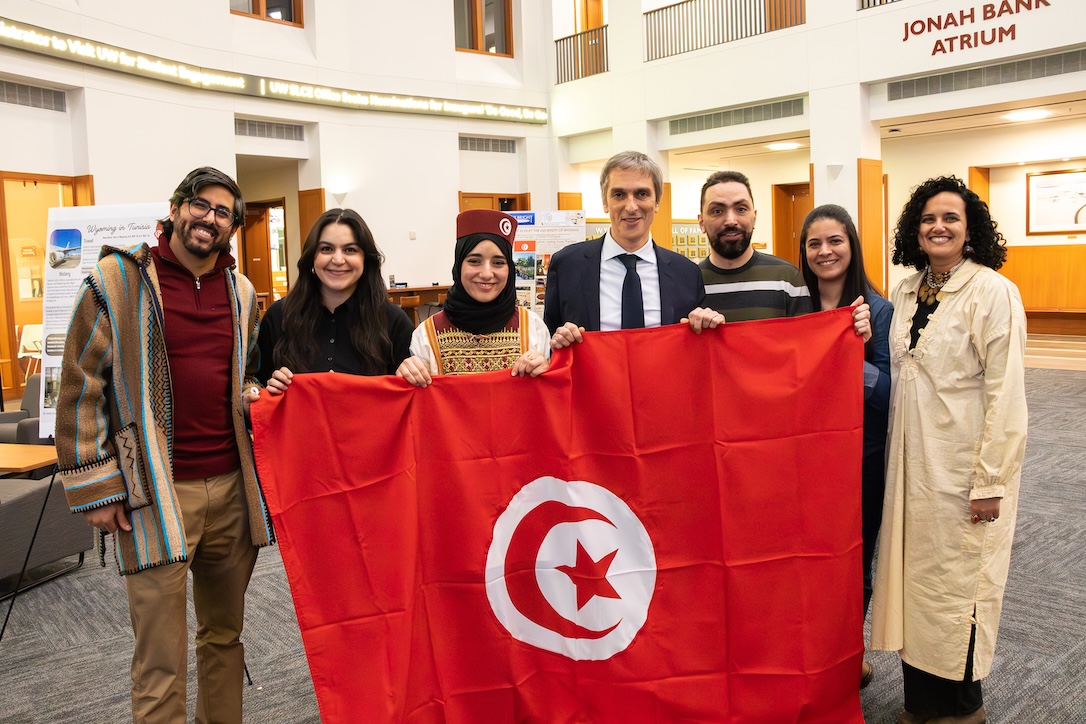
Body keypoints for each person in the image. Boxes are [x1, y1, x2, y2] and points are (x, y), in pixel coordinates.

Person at [55, 167, 273, 723]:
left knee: (225, 638)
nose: (210, 219)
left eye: (224, 213)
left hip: (229, 489)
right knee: (160, 657)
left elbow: (245, 373)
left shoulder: (242, 291)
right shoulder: (116, 281)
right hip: (153, 494)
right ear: (176, 208)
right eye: (201, 205)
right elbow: (81, 385)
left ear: (232, 227)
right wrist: (99, 488)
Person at [870, 176, 1027, 724]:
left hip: (963, 471)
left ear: (970, 230)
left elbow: (1006, 395)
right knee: (918, 587)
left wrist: (990, 481)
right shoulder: (906, 289)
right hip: (910, 467)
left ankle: (962, 711)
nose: (938, 227)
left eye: (950, 219)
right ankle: (921, 705)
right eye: (928, 219)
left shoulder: (992, 292)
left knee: (958, 590)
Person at [799, 204, 892, 689]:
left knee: (854, 556)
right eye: (814, 243)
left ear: (851, 245)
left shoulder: (877, 311)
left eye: (834, 240)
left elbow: (892, 395)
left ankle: (848, 650)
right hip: (801, 460)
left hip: (860, 461)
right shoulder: (794, 307)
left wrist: (850, 358)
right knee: (803, 558)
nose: (825, 251)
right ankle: (809, 647)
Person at [544, 150, 705, 347]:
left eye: (642, 194)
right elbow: (549, 340)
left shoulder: (686, 273)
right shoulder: (566, 266)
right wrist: (557, 341)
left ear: (657, 202)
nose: (631, 206)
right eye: (619, 194)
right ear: (605, 201)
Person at [257, 208, 412, 394]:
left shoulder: (394, 321)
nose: (338, 259)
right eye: (326, 249)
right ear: (312, 257)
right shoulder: (278, 316)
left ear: (366, 259)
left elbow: (407, 402)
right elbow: (256, 388)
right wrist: (268, 388)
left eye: (350, 250)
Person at [397, 208, 554, 386]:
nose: (487, 274)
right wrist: (408, 376)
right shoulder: (427, 335)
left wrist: (547, 372)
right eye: (474, 261)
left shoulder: (533, 328)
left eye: (498, 263)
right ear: (458, 266)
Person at [697, 170, 813, 321]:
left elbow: (806, 341)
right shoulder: (689, 283)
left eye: (741, 209)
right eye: (717, 211)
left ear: (754, 217)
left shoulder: (787, 278)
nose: (731, 220)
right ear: (701, 223)